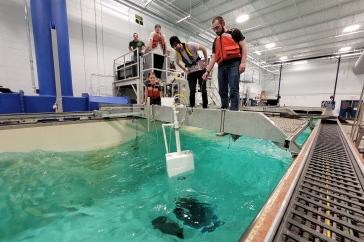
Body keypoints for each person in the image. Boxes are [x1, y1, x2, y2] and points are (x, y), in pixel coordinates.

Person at [202, 16, 248, 111]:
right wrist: (207, 71)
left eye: (217, 27)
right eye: (214, 29)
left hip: (234, 63)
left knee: (233, 89)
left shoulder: (234, 32)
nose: (216, 30)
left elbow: (244, 46)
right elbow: (214, 58)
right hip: (221, 66)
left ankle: (234, 112)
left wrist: (243, 63)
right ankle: (224, 109)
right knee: (222, 90)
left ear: (223, 24)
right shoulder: (215, 41)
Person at [169, 36, 208, 108]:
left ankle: (205, 106)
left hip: (200, 69)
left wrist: (206, 61)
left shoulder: (190, 45)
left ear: (179, 42)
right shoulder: (177, 53)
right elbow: (177, 62)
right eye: (173, 47)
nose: (175, 48)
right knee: (192, 90)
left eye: (175, 45)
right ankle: (191, 106)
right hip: (191, 71)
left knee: (203, 89)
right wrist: (184, 70)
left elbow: (203, 48)